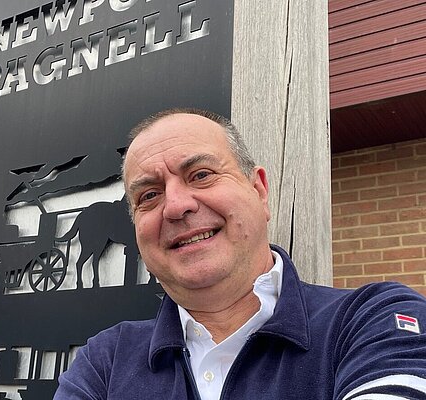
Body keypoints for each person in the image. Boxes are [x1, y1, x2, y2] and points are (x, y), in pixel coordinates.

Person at [54, 108, 426, 399]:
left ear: (259, 190)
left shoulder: (374, 321)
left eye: (201, 175)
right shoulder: (104, 362)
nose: (175, 206)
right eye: (149, 195)